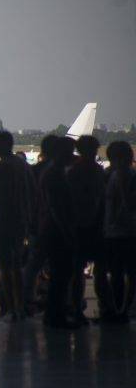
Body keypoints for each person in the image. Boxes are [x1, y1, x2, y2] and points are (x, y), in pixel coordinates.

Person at [0, 130, 35, 321]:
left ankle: (11, 306)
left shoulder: (2, 166)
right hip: (21, 222)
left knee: (5, 267)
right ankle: (20, 305)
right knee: (16, 266)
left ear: (3, 144)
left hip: (4, 221)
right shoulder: (23, 165)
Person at [38, 136, 78, 329]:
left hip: (53, 229)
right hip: (56, 231)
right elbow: (55, 207)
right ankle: (55, 315)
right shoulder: (55, 174)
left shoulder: (54, 172)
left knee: (60, 275)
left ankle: (54, 314)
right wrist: (66, 231)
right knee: (60, 275)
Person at [67, 135, 106, 325]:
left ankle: (76, 309)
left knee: (76, 272)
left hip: (79, 227)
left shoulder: (74, 172)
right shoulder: (99, 172)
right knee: (100, 272)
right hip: (96, 227)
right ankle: (105, 308)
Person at [22, 135, 59, 314]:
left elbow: (28, 200)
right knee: (59, 268)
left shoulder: (33, 171)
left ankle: (27, 300)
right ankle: (57, 300)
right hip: (55, 227)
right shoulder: (60, 172)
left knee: (33, 265)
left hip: (36, 227)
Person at [102, 141, 136, 322]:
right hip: (125, 232)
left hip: (118, 233)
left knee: (117, 274)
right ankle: (124, 309)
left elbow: (126, 205)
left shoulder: (119, 175)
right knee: (129, 273)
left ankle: (119, 310)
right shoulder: (123, 174)